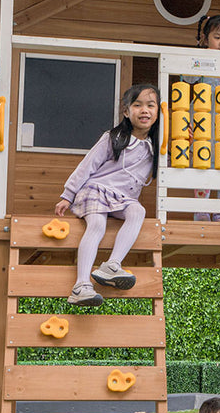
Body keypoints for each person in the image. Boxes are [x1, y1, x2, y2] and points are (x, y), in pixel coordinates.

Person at [54, 84, 160, 306]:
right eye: (137, 105)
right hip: (97, 190)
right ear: (126, 111)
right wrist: (68, 194)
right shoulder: (113, 137)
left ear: (158, 112)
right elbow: (87, 165)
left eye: (151, 105)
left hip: (124, 199)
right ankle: (81, 285)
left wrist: (186, 139)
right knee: (97, 226)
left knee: (138, 211)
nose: (144, 110)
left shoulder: (156, 146)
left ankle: (111, 265)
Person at [183, 15, 220, 222]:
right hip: (204, 116)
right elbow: (187, 78)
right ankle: (202, 208)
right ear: (206, 39)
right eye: (217, 37)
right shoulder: (203, 61)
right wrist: (199, 57)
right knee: (202, 160)